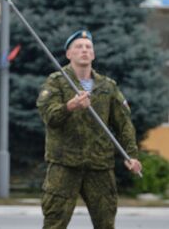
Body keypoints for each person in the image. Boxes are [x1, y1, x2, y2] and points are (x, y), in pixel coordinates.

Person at [36, 30, 142, 229]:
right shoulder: (57, 82)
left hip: (99, 165)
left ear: (93, 55)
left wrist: (131, 155)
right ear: (69, 54)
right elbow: (49, 117)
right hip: (64, 164)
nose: (84, 50)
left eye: (88, 47)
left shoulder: (107, 86)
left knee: (106, 222)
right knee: (54, 221)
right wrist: (71, 106)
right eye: (78, 46)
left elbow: (124, 124)